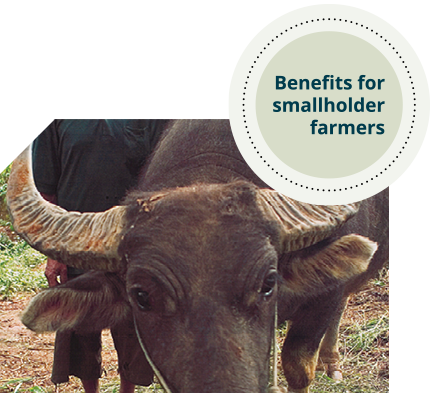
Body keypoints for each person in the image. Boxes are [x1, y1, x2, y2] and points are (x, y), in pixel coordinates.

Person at [32, 119, 167, 393]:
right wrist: (55, 252)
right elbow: (46, 187)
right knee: (81, 327)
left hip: (132, 241)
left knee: (131, 324)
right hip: (75, 239)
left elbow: (163, 180)